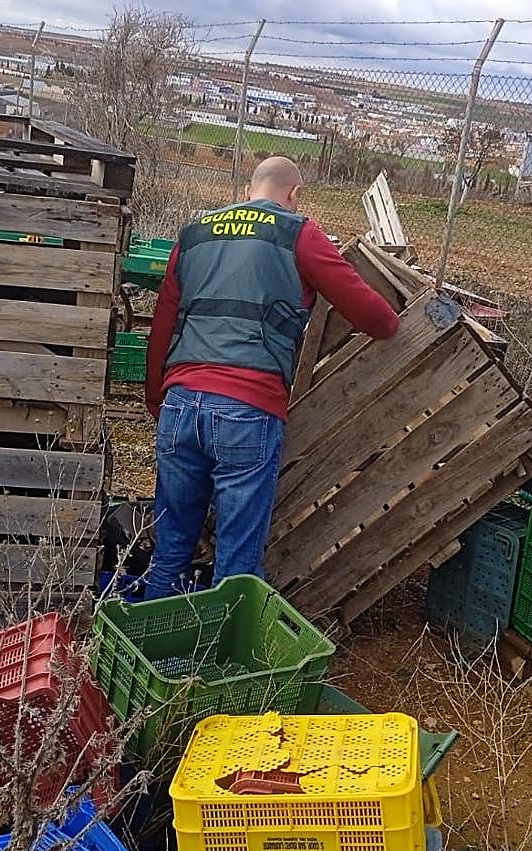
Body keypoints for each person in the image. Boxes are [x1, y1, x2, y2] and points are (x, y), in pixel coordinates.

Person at [142, 156, 401, 598]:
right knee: (235, 567)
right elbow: (376, 319)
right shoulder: (298, 233)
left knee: (169, 554)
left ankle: (151, 636)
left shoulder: (194, 234)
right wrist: (392, 322)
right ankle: (223, 641)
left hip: (180, 405)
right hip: (246, 410)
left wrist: (157, 399)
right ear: (294, 194)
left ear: (249, 191)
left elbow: (163, 324)